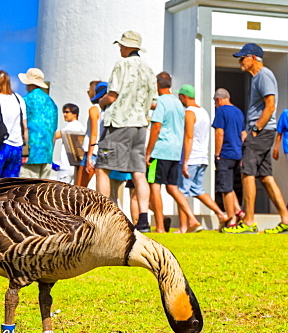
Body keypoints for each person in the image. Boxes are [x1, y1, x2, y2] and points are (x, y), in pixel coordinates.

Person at [227, 42, 288, 234]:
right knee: (265, 177)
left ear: (253, 58)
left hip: (261, 131)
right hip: (264, 132)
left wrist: (255, 130)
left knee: (246, 173)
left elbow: (270, 105)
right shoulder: (257, 78)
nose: (240, 61)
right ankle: (287, 220)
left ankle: (248, 222)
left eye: (243, 57)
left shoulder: (264, 75)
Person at [96, 31, 158, 233]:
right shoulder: (148, 68)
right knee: (139, 173)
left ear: (126, 47)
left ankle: (103, 216)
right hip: (140, 125)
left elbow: (112, 95)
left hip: (119, 123)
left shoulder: (121, 65)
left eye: (121, 45)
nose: (119, 49)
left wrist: (100, 102)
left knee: (102, 167)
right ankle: (143, 220)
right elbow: (154, 104)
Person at [145, 72, 197, 233]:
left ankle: (160, 226)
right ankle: (193, 219)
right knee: (173, 188)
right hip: (175, 151)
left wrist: (148, 152)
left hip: (160, 150)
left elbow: (156, 127)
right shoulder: (178, 103)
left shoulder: (161, 102)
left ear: (157, 85)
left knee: (154, 186)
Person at [178, 85, 228, 230]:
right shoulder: (203, 112)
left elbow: (188, 137)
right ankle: (221, 214)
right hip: (202, 157)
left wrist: (185, 161)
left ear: (184, 96)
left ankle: (184, 226)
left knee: (181, 192)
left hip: (192, 157)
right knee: (197, 190)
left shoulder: (189, 112)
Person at [211, 88, 246, 231]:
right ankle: (239, 211)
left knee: (224, 188)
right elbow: (243, 134)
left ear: (219, 99)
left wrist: (217, 154)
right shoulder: (239, 112)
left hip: (225, 153)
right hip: (237, 154)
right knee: (230, 185)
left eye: (215, 102)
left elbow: (219, 133)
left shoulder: (221, 111)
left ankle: (231, 219)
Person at [18, 67, 58, 181]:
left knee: (27, 190)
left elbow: (22, 124)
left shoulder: (26, 100)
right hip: (47, 152)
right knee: (42, 191)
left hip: (31, 152)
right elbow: (54, 129)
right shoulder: (51, 102)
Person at [79, 81, 107, 187]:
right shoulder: (109, 110)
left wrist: (89, 157)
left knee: (80, 188)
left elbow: (94, 133)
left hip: (93, 151)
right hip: (105, 151)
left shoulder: (94, 109)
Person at [55, 103, 85, 183]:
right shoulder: (80, 126)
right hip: (74, 166)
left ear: (75, 114)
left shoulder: (72, 126)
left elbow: (56, 135)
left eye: (67, 112)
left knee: (60, 192)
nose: (64, 114)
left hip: (66, 166)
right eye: (64, 112)